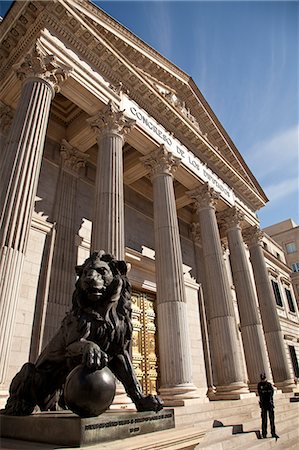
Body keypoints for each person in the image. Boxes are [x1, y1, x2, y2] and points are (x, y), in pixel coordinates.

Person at [257, 373, 279, 440]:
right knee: (264, 420)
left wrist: (266, 394)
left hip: (269, 404)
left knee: (271, 419)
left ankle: (273, 432)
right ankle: (264, 433)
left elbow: (271, 393)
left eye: (263, 378)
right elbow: (260, 393)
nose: (263, 380)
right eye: (262, 378)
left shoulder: (269, 384)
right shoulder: (259, 385)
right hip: (263, 404)